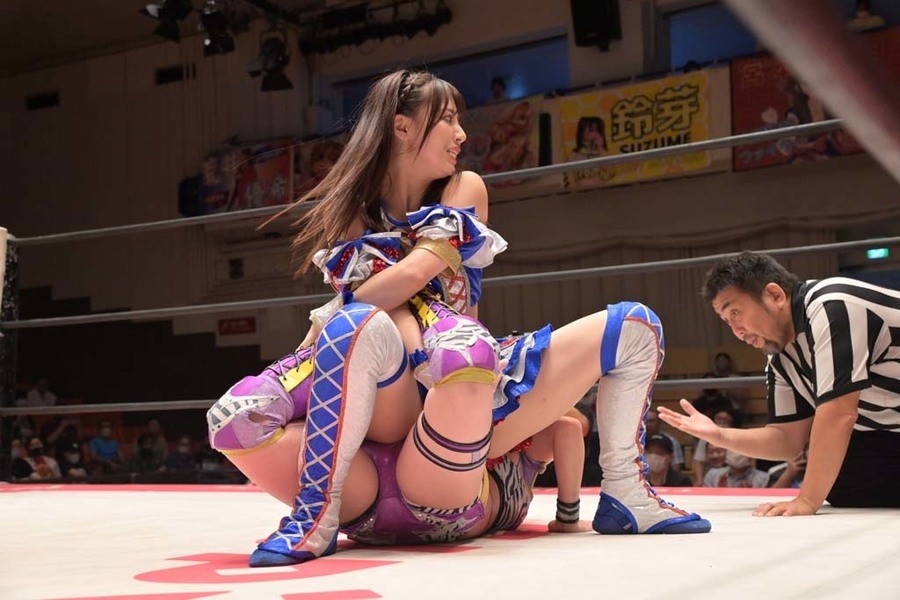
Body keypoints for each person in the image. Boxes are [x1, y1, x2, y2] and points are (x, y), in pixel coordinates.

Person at [208, 69, 709, 568]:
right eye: (447, 119)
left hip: (462, 394)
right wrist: (351, 312)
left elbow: (405, 279)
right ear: (402, 127)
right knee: (241, 412)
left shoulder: (464, 187)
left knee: (634, 327)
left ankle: (626, 493)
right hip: (386, 398)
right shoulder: (356, 211)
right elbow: (365, 304)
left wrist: (369, 293)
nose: (461, 134)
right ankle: (316, 513)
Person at [659, 251, 900, 515]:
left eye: (736, 313)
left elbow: (840, 413)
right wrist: (719, 435)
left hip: (887, 426)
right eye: (727, 321)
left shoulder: (834, 305)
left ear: (775, 295)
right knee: (843, 483)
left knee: (829, 475)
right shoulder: (780, 357)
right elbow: (786, 440)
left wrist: (807, 500)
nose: (737, 332)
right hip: (887, 431)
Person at [702, 449, 769, 489]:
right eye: (734, 451)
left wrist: (750, 495)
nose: (737, 454)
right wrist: (720, 492)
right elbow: (705, 500)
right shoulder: (713, 475)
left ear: (751, 457)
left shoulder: (763, 478)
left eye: (742, 451)